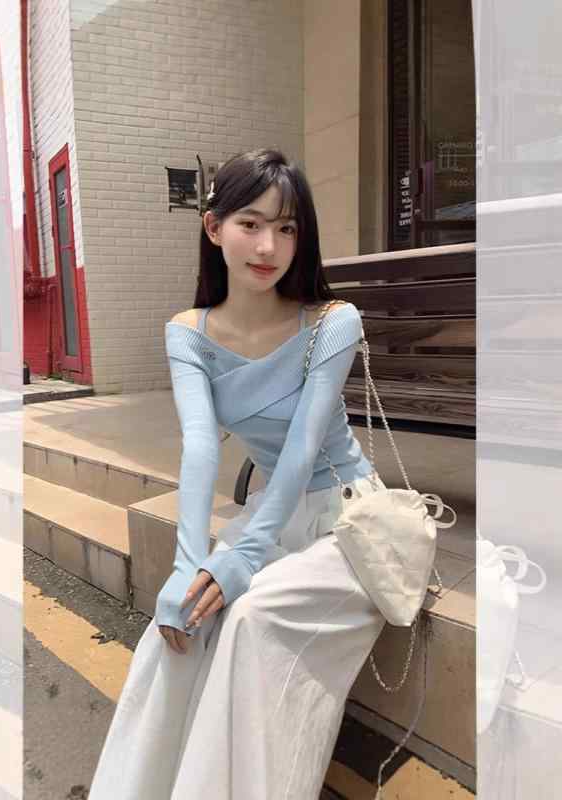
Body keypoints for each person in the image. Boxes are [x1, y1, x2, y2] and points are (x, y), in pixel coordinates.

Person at [88, 148, 386, 800]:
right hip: (276, 517)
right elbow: (200, 446)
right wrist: (186, 563)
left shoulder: (332, 322)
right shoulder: (188, 332)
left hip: (346, 515)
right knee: (183, 623)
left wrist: (241, 558)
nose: (268, 245)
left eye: (287, 228)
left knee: (250, 618)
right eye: (251, 223)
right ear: (214, 226)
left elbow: (304, 449)